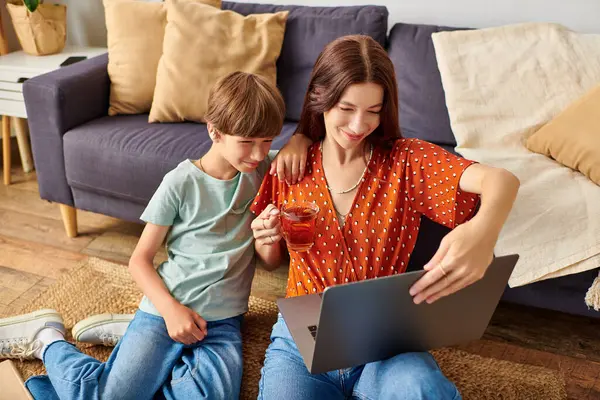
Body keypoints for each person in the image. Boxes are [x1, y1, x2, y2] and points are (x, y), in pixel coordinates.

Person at [0, 71, 312, 400]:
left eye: (268, 141)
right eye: (247, 142)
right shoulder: (180, 183)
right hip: (168, 308)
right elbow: (139, 261)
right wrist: (170, 310)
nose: (258, 153)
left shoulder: (264, 172)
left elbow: (270, 261)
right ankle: (48, 339)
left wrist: (300, 138)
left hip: (223, 322)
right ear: (214, 131)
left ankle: (133, 342)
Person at [250, 35, 520, 400]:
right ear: (321, 98)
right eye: (346, 108)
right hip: (302, 334)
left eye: (373, 111)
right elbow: (272, 261)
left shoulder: (406, 162)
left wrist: (483, 232)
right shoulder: (291, 166)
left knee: (422, 390)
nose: (359, 125)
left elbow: (501, 180)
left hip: (384, 339)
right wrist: (266, 241)